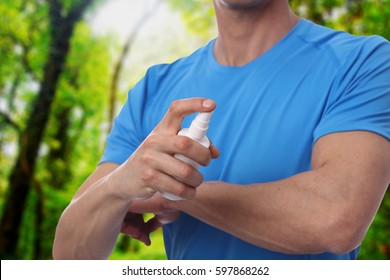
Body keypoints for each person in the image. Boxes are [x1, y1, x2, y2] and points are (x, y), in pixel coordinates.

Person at [53, 0, 390, 260]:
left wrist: (175, 192)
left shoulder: (364, 62)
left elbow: (337, 216)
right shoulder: (154, 88)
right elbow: (69, 256)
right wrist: (117, 187)